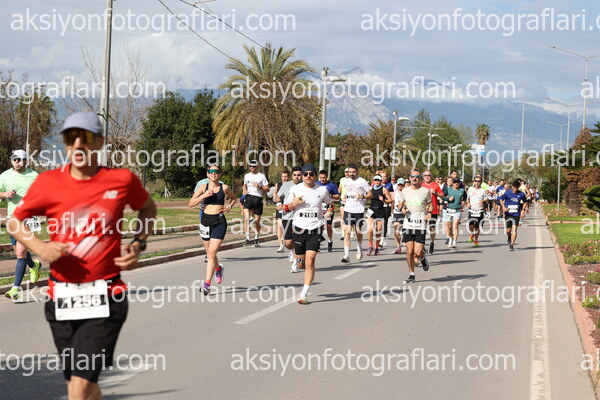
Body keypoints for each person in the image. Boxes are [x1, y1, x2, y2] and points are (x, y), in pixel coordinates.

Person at [9, 112, 157, 399]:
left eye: (85, 137)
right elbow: (15, 221)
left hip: (106, 296)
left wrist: (138, 243)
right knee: (79, 384)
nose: (77, 144)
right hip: (61, 297)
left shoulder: (120, 180)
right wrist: (41, 247)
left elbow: (148, 208)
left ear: (99, 142)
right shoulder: (48, 182)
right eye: (70, 137)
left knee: (79, 386)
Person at [283, 164, 332, 304]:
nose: (308, 176)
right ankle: (302, 265)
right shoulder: (295, 189)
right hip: (299, 229)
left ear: (315, 176)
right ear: (302, 176)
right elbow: (285, 209)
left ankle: (303, 294)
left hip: (315, 229)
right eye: (306, 174)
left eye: (311, 174)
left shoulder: (322, 190)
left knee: (310, 261)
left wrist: (328, 212)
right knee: (301, 265)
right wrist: (294, 204)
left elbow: (330, 203)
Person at [189, 165, 236, 295]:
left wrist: (229, 206)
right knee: (210, 253)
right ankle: (218, 268)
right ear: (208, 174)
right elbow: (191, 203)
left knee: (210, 254)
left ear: (220, 174)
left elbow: (234, 198)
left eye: (216, 172)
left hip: (219, 223)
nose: (214, 174)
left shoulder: (224, 188)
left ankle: (206, 285)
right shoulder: (202, 187)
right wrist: (203, 195)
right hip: (205, 222)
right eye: (211, 172)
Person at [2, 150, 42, 300]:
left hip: (28, 219)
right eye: (15, 159)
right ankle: (34, 266)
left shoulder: (34, 175)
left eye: (20, 159)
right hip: (12, 219)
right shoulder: (5, 176)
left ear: (26, 161)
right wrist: (4, 194)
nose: (17, 162)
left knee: (20, 253)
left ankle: (15, 289)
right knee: (19, 252)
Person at [397, 169, 432, 284]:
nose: (414, 178)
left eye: (417, 177)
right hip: (408, 224)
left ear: (420, 179)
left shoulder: (425, 191)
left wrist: (429, 213)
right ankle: (412, 274)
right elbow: (400, 204)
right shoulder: (405, 191)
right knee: (409, 251)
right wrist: (401, 209)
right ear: (409, 178)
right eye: (412, 176)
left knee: (418, 251)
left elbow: (430, 205)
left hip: (420, 225)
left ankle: (422, 258)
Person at [340, 164, 372, 262]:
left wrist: (362, 196)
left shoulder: (362, 181)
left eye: (353, 172)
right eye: (350, 172)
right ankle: (346, 255)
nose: (352, 174)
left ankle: (359, 249)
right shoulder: (346, 182)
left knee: (358, 231)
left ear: (357, 172)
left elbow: (370, 195)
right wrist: (345, 197)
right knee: (347, 232)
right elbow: (348, 193)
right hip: (348, 209)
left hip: (358, 210)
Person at [276, 167, 303, 272]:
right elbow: (278, 196)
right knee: (288, 243)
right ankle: (291, 251)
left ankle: (295, 264)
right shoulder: (286, 185)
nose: (297, 177)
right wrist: (279, 204)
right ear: (292, 176)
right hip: (287, 216)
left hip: (299, 217)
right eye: (295, 175)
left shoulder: (304, 186)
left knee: (297, 240)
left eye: (299, 175)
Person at [242, 160, 269, 247]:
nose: (252, 168)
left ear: (257, 166)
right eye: (250, 166)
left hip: (258, 198)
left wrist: (259, 186)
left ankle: (257, 237)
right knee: (246, 217)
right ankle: (247, 239)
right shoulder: (246, 176)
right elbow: (244, 185)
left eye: (253, 166)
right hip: (249, 197)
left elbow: (267, 188)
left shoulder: (261, 176)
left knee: (257, 221)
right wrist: (244, 190)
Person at [366, 174, 392, 256]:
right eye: (375, 180)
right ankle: (370, 246)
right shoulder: (370, 189)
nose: (377, 181)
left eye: (378, 180)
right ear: (373, 181)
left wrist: (383, 200)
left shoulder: (384, 190)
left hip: (380, 211)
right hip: (371, 210)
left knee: (378, 231)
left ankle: (376, 248)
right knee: (370, 230)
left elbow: (390, 200)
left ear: (381, 181)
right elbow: (366, 196)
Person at [316, 170, 340, 252]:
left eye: (324, 177)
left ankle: (330, 240)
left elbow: (337, 196)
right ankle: (318, 242)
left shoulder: (332, 185)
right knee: (318, 225)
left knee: (328, 225)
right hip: (319, 206)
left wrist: (330, 195)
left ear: (327, 177)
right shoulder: (316, 184)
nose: (322, 179)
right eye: (321, 177)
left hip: (329, 206)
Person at [499, 180, 527, 251]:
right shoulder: (507, 193)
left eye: (517, 188)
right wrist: (503, 207)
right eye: (514, 188)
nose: (515, 189)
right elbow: (501, 199)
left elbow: (525, 202)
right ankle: (509, 236)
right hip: (508, 214)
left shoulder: (521, 194)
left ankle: (511, 245)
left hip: (516, 214)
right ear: (512, 187)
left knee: (514, 230)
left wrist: (523, 210)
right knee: (508, 231)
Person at [421, 170, 444, 255]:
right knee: (422, 228)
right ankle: (422, 245)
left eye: (428, 175)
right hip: (423, 210)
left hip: (433, 210)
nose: (427, 177)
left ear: (431, 176)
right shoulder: (421, 185)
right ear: (423, 177)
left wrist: (436, 193)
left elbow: (442, 195)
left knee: (432, 228)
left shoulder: (435, 185)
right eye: (425, 175)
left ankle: (432, 242)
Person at [442, 178, 466, 248]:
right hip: (449, 209)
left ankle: (454, 241)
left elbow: (465, 196)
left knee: (455, 225)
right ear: (452, 183)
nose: (456, 184)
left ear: (459, 183)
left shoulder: (462, 190)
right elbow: (442, 196)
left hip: (457, 210)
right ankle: (450, 238)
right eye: (454, 182)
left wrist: (463, 201)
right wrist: (448, 199)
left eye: (457, 182)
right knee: (449, 227)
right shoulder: (448, 189)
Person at [466, 177, 487, 247]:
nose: (477, 182)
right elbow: (467, 198)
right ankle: (472, 234)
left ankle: (476, 240)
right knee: (471, 226)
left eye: (479, 181)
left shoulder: (483, 190)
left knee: (477, 227)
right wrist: (468, 203)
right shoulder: (470, 189)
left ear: (481, 182)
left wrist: (482, 201)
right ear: (474, 182)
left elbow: (486, 199)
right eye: (476, 181)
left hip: (479, 210)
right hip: (472, 210)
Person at [274, 170, 290, 253]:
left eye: (286, 176)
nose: (285, 178)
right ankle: (281, 246)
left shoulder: (291, 185)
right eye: (283, 176)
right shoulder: (278, 185)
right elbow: (275, 194)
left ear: (289, 177)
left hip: (289, 209)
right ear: (281, 177)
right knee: (280, 226)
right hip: (280, 208)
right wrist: (277, 202)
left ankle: (290, 244)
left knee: (286, 227)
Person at [379, 170, 393, 248]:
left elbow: (391, 195)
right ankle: (380, 235)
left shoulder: (389, 185)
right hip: (378, 205)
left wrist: (390, 203)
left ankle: (383, 237)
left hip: (386, 204)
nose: (383, 178)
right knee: (378, 222)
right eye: (382, 176)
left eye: (384, 176)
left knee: (385, 221)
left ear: (387, 178)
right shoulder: (377, 184)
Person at [392, 178, 406, 254]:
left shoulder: (406, 192)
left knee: (405, 229)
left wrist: (403, 205)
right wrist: (392, 211)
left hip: (405, 213)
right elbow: (392, 202)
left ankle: (405, 239)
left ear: (404, 185)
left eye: (401, 185)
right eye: (399, 185)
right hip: (397, 213)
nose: (400, 186)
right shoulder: (394, 193)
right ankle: (398, 246)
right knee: (396, 230)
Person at [338, 167, 350, 241]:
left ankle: (351, 230)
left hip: (350, 200)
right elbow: (340, 189)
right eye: (346, 172)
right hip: (342, 200)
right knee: (342, 217)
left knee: (349, 217)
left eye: (348, 172)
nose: (347, 173)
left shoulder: (352, 180)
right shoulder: (342, 179)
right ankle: (343, 233)